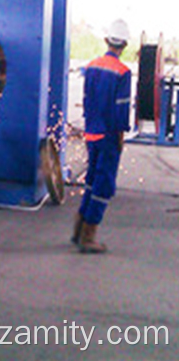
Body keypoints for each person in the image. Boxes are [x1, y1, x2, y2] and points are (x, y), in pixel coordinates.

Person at [72, 18, 132, 254]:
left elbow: (86, 101)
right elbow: (121, 109)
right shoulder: (123, 72)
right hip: (108, 135)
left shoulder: (92, 66)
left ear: (107, 40)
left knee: (91, 181)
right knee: (104, 184)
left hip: (91, 132)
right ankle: (88, 236)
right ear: (125, 45)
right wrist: (120, 136)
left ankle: (78, 230)